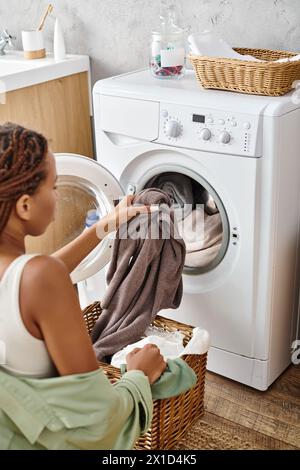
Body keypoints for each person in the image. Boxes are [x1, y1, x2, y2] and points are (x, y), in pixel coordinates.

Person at [0, 122, 167, 448]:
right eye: (54, 186)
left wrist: (104, 226)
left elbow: (27, 283)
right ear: (24, 206)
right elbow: (98, 422)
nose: (58, 195)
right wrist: (139, 376)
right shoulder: (40, 278)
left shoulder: (29, 277)